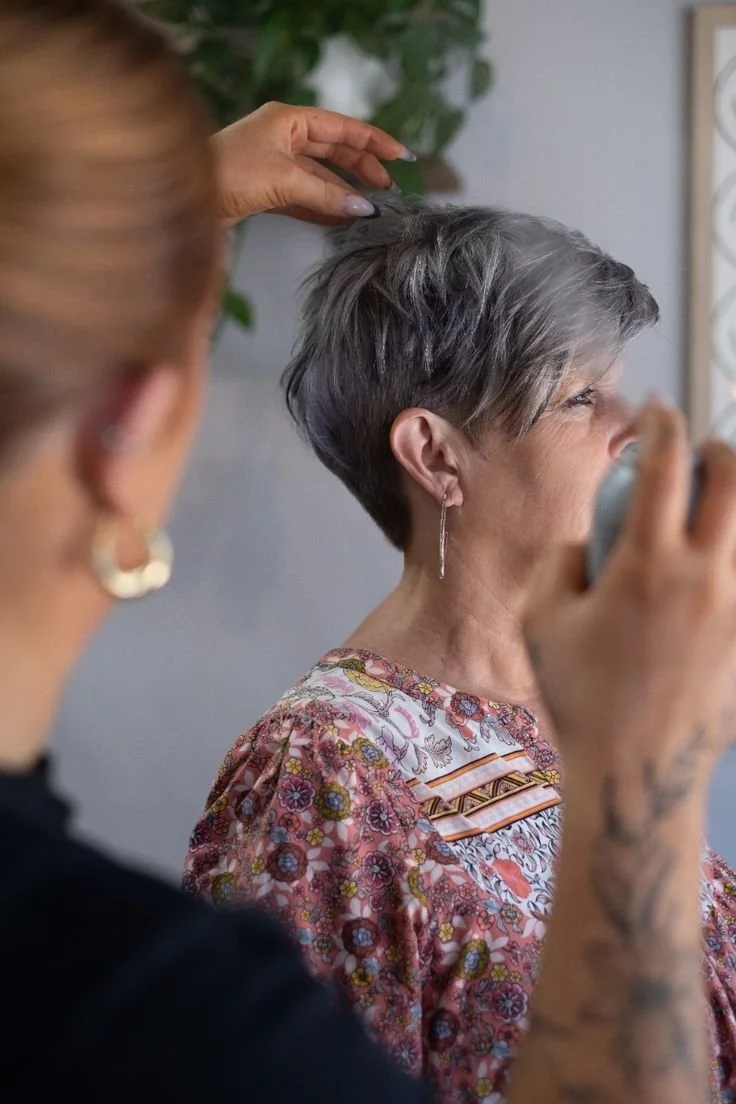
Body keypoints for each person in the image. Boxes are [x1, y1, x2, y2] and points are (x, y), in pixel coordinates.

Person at [185, 197, 736, 1101]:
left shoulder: (602, 696)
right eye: (583, 397)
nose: (631, 427)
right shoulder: (322, 774)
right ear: (437, 456)